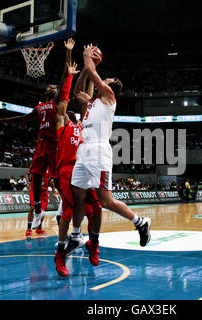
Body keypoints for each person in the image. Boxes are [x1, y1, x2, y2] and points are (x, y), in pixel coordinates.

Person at [68, 44, 151, 262]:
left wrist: (89, 59)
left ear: (111, 86)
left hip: (98, 152)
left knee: (106, 201)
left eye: (107, 79)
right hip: (84, 151)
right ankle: (76, 235)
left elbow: (95, 76)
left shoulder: (109, 97)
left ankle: (140, 222)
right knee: (78, 195)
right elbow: (76, 92)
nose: (103, 79)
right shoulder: (92, 102)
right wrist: (86, 68)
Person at [0, 39, 75, 222]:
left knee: (58, 179)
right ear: (46, 92)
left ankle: (67, 202)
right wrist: (1, 120)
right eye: (51, 87)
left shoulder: (56, 103)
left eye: (56, 86)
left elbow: (65, 73)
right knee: (36, 176)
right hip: (42, 144)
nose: (54, 87)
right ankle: (37, 207)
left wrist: (68, 52)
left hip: (55, 145)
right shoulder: (39, 108)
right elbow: (21, 119)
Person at [53, 64, 103, 277]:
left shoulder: (84, 126)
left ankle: (93, 242)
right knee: (69, 211)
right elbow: (63, 104)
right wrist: (69, 77)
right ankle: (61, 251)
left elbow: (88, 100)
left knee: (97, 208)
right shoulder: (62, 126)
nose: (71, 113)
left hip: (83, 169)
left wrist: (91, 71)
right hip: (65, 172)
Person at [25, 167, 58, 239]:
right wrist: (28, 182)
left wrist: (53, 192)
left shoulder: (49, 166)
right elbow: (27, 174)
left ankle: (39, 229)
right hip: (35, 190)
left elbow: (52, 181)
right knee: (32, 208)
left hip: (44, 192)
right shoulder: (36, 164)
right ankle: (28, 230)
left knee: (42, 212)